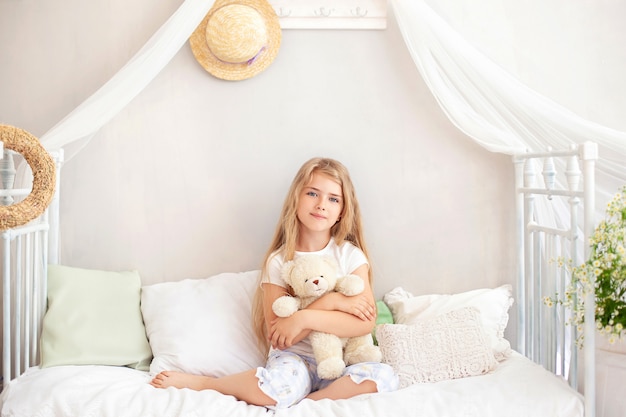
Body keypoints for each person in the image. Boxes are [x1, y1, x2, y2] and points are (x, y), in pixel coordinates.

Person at [150, 157, 398, 408]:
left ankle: (306, 404)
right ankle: (208, 384)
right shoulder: (280, 262)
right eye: (313, 193)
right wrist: (330, 304)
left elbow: (364, 323)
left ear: (342, 211)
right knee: (273, 389)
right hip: (294, 359)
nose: (322, 205)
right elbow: (282, 336)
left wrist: (305, 317)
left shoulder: (349, 255)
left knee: (384, 377)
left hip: (340, 361)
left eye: (333, 199)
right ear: (296, 199)